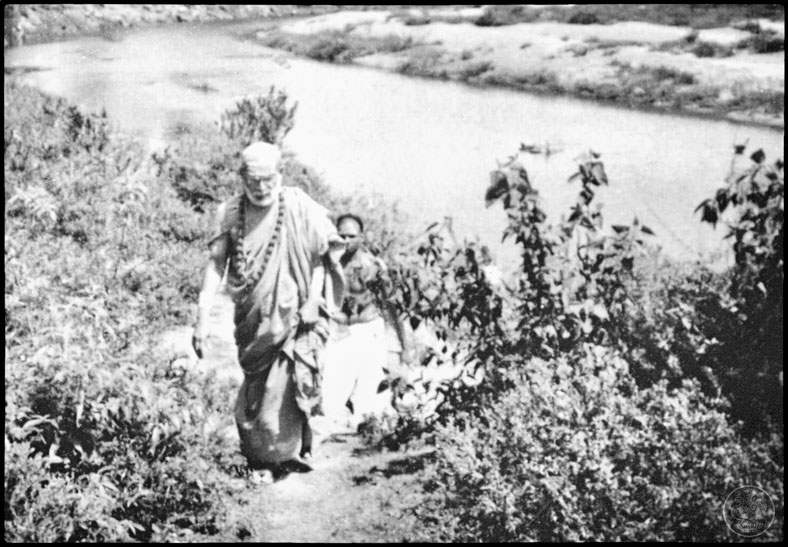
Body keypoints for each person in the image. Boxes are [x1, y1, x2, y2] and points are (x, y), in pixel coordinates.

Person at [192, 142, 345, 483]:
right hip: (254, 322)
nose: (261, 188)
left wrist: (312, 300)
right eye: (253, 180)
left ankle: (282, 456)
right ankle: (263, 454)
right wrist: (201, 319)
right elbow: (216, 265)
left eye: (268, 180)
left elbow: (321, 259)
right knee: (258, 391)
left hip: (297, 317)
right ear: (241, 177)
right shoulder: (230, 212)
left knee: (289, 384)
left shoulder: (300, 207)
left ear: (280, 174)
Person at [321, 213, 414, 429]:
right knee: (329, 403)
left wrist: (404, 347)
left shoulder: (372, 266)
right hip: (339, 332)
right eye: (342, 235)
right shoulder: (329, 262)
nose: (346, 240)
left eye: (351, 236)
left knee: (370, 403)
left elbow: (391, 307)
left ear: (361, 237)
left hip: (368, 331)